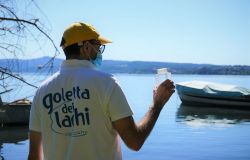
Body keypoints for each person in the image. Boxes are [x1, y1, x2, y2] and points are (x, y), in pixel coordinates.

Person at [28, 22, 175, 160]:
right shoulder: (107, 84)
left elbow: (34, 156)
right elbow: (134, 142)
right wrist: (156, 105)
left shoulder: (41, 91)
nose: (100, 52)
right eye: (98, 47)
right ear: (86, 47)